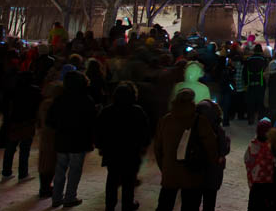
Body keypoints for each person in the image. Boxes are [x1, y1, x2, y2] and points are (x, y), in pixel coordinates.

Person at [154, 88, 218, 211]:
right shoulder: (200, 122)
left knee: (165, 205)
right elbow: (211, 148)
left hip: (170, 173)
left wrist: (165, 167)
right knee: (190, 206)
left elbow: (158, 148)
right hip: (192, 174)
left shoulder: (165, 120)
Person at [96, 82, 150, 211]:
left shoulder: (107, 111)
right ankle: (127, 204)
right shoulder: (137, 111)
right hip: (131, 152)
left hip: (112, 152)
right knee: (128, 181)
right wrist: (143, 145)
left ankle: (110, 205)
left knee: (112, 180)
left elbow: (99, 131)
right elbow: (145, 131)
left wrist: (100, 147)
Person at [47, 70, 97, 208]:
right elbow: (92, 122)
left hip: (62, 139)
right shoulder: (86, 100)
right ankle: (70, 197)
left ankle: (56, 197)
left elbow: (50, 120)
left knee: (60, 169)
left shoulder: (59, 99)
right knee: (75, 170)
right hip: (79, 141)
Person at [1, 71, 41, 181]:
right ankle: (23, 174)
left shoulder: (12, 90)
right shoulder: (35, 90)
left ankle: (6, 172)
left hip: (13, 122)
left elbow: (5, 105)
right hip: (28, 122)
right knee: (25, 149)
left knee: (10, 148)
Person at [196, 99, 230, 211]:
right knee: (209, 203)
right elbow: (224, 149)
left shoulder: (194, 127)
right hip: (212, 175)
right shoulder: (218, 130)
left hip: (196, 173)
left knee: (193, 202)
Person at [37, 82, 63, 199]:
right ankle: (46, 188)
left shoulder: (44, 103)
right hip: (53, 136)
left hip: (44, 136)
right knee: (51, 163)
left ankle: (44, 187)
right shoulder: (56, 105)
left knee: (44, 162)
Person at [244, 119, 275, 211]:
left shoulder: (253, 144)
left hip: (256, 183)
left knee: (254, 206)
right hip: (270, 183)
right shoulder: (273, 146)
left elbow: (247, 160)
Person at [244, 44, 268, 124]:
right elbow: (266, 72)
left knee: (251, 103)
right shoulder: (264, 60)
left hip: (250, 84)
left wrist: (246, 83)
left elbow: (244, 72)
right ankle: (261, 120)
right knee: (260, 103)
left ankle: (250, 119)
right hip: (260, 84)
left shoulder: (248, 59)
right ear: (261, 50)